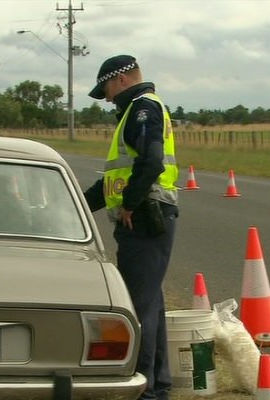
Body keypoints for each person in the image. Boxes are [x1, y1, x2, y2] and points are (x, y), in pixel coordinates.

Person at [83, 55, 178, 400]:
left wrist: (129, 203)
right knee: (149, 305)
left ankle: (145, 391)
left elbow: (150, 162)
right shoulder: (136, 112)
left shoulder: (142, 109)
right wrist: (75, 205)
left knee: (137, 309)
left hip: (144, 216)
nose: (107, 97)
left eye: (106, 88)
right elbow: (112, 180)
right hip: (144, 216)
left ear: (121, 79)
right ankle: (158, 387)